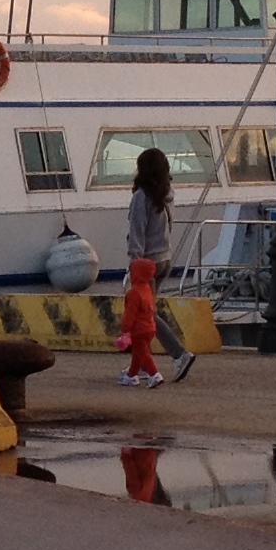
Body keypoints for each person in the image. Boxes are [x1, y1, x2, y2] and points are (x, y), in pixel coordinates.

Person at [121, 146, 173, 388]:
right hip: (164, 259)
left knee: (146, 316)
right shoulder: (166, 193)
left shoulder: (141, 197)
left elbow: (137, 231)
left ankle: (179, 353)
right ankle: (141, 365)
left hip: (147, 261)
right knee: (147, 317)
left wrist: (135, 261)